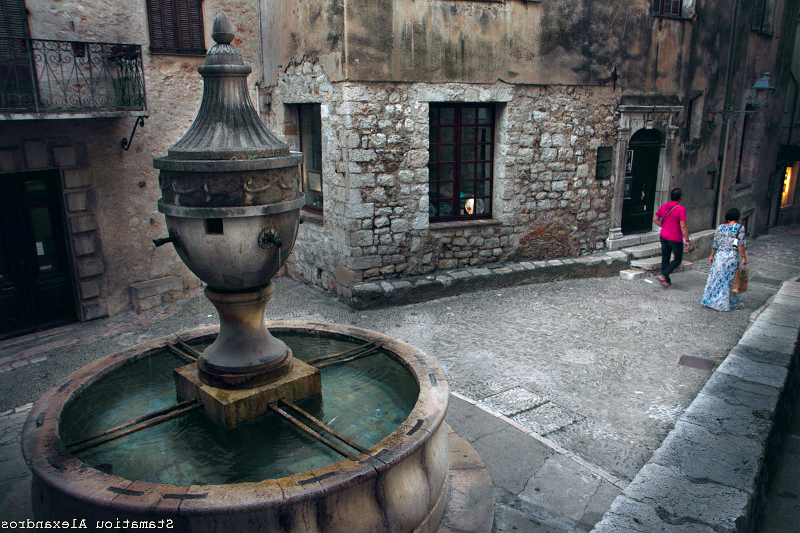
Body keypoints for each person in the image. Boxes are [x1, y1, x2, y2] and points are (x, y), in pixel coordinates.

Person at [702, 208, 747, 311]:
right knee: (729, 280)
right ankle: (725, 303)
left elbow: (715, 243)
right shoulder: (740, 228)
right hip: (731, 256)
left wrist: (712, 255)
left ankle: (712, 300)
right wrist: (743, 257)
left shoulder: (720, 227)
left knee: (717, 278)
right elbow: (740, 244)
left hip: (720, 255)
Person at [653, 188, 690, 288]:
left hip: (664, 236)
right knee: (677, 259)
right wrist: (687, 239)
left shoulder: (664, 206)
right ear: (681, 197)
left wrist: (663, 225)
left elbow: (655, 218)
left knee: (665, 257)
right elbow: (683, 226)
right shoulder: (681, 209)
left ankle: (667, 280)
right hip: (675, 238)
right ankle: (664, 275)